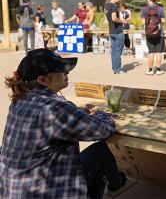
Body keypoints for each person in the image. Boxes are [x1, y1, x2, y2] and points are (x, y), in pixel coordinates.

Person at [0, 49, 126, 198]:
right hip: (45, 192)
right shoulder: (54, 109)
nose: (67, 73)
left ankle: (115, 183)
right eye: (62, 70)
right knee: (100, 150)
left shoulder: (19, 102)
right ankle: (115, 183)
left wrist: (76, 111)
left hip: (14, 190)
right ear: (43, 80)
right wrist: (100, 113)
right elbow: (104, 129)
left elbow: (51, 118)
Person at [141, 0, 166, 75]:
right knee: (158, 52)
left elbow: (143, 22)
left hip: (149, 33)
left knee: (151, 52)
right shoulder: (160, 8)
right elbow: (163, 21)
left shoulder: (144, 9)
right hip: (159, 33)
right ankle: (158, 70)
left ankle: (150, 70)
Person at [104, 0, 126, 74]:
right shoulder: (113, 6)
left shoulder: (106, 6)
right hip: (117, 31)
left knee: (113, 51)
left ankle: (115, 68)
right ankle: (118, 69)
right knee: (117, 51)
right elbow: (113, 18)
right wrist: (122, 21)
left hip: (111, 31)